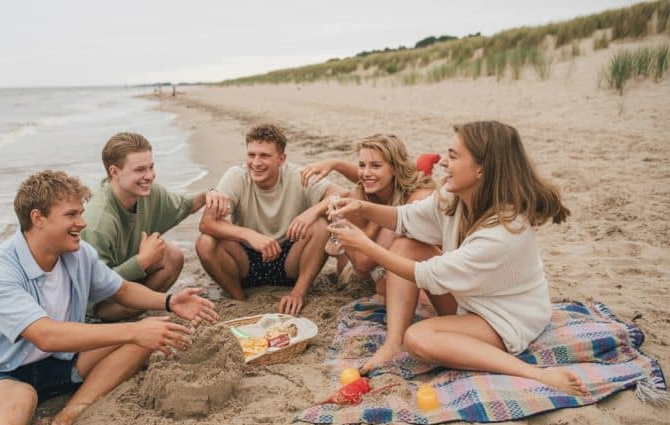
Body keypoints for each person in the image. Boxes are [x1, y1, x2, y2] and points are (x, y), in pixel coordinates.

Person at [0, 170, 218, 425]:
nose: (82, 223)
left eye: (81, 212)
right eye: (71, 214)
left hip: (55, 364)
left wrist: (168, 302)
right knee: (21, 398)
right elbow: (45, 335)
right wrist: (137, 328)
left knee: (142, 340)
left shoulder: (77, 255)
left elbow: (122, 289)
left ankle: (68, 414)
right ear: (38, 218)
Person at [328, 121, 588, 396]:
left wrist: (364, 245)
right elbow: (406, 218)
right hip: (471, 299)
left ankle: (537, 374)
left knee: (419, 338)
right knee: (406, 244)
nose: (441, 162)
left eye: (453, 156)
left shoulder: (503, 231)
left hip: (504, 317)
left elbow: (427, 274)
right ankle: (392, 344)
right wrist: (361, 206)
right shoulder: (455, 199)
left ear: (480, 169)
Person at [195, 123, 343, 315]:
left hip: (290, 261)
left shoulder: (297, 175)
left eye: (264, 156)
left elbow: (342, 195)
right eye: (251, 155)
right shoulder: (237, 176)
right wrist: (248, 235)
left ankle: (298, 293)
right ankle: (238, 297)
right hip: (246, 262)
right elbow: (206, 223)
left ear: (281, 159)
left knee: (322, 224)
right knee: (205, 242)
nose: (256, 163)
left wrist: (311, 212)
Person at [82, 132, 229, 321]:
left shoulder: (148, 193)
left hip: (126, 279)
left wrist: (209, 194)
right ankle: (127, 314)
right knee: (158, 256)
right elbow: (94, 287)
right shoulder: (98, 221)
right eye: (140, 170)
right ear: (114, 172)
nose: (149, 176)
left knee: (172, 255)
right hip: (97, 304)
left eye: (151, 167)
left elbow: (183, 205)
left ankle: (140, 307)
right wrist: (142, 261)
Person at [300, 134, 434, 301]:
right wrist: (336, 164)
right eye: (361, 165)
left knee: (382, 285)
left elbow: (363, 263)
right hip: (369, 272)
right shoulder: (363, 192)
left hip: (425, 275)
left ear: (394, 167)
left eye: (376, 165)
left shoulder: (415, 201)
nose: (366, 173)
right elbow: (360, 270)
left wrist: (345, 223)